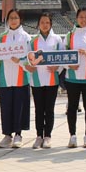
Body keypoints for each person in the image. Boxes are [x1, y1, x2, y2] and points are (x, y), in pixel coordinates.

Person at [25, 12, 64, 149]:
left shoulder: (57, 39)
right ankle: (38, 136)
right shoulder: (33, 41)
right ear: (38, 24)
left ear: (51, 24)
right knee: (38, 109)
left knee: (49, 109)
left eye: (47, 22)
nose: (45, 25)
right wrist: (29, 67)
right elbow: (27, 58)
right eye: (42, 22)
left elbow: (63, 58)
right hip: (36, 79)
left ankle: (47, 136)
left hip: (52, 79)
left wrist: (57, 68)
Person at [0, 8, 31, 149]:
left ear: (20, 19)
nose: (13, 20)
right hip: (5, 78)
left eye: (16, 18)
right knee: (6, 107)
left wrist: (20, 61)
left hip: (21, 77)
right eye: (11, 18)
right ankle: (7, 135)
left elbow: (30, 58)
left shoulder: (26, 37)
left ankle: (18, 134)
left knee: (20, 107)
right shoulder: (2, 37)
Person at [64, 7, 86, 148]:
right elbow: (62, 56)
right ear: (76, 18)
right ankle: (72, 136)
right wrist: (69, 66)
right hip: (72, 78)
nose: (83, 19)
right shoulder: (69, 35)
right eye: (81, 17)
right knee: (72, 107)